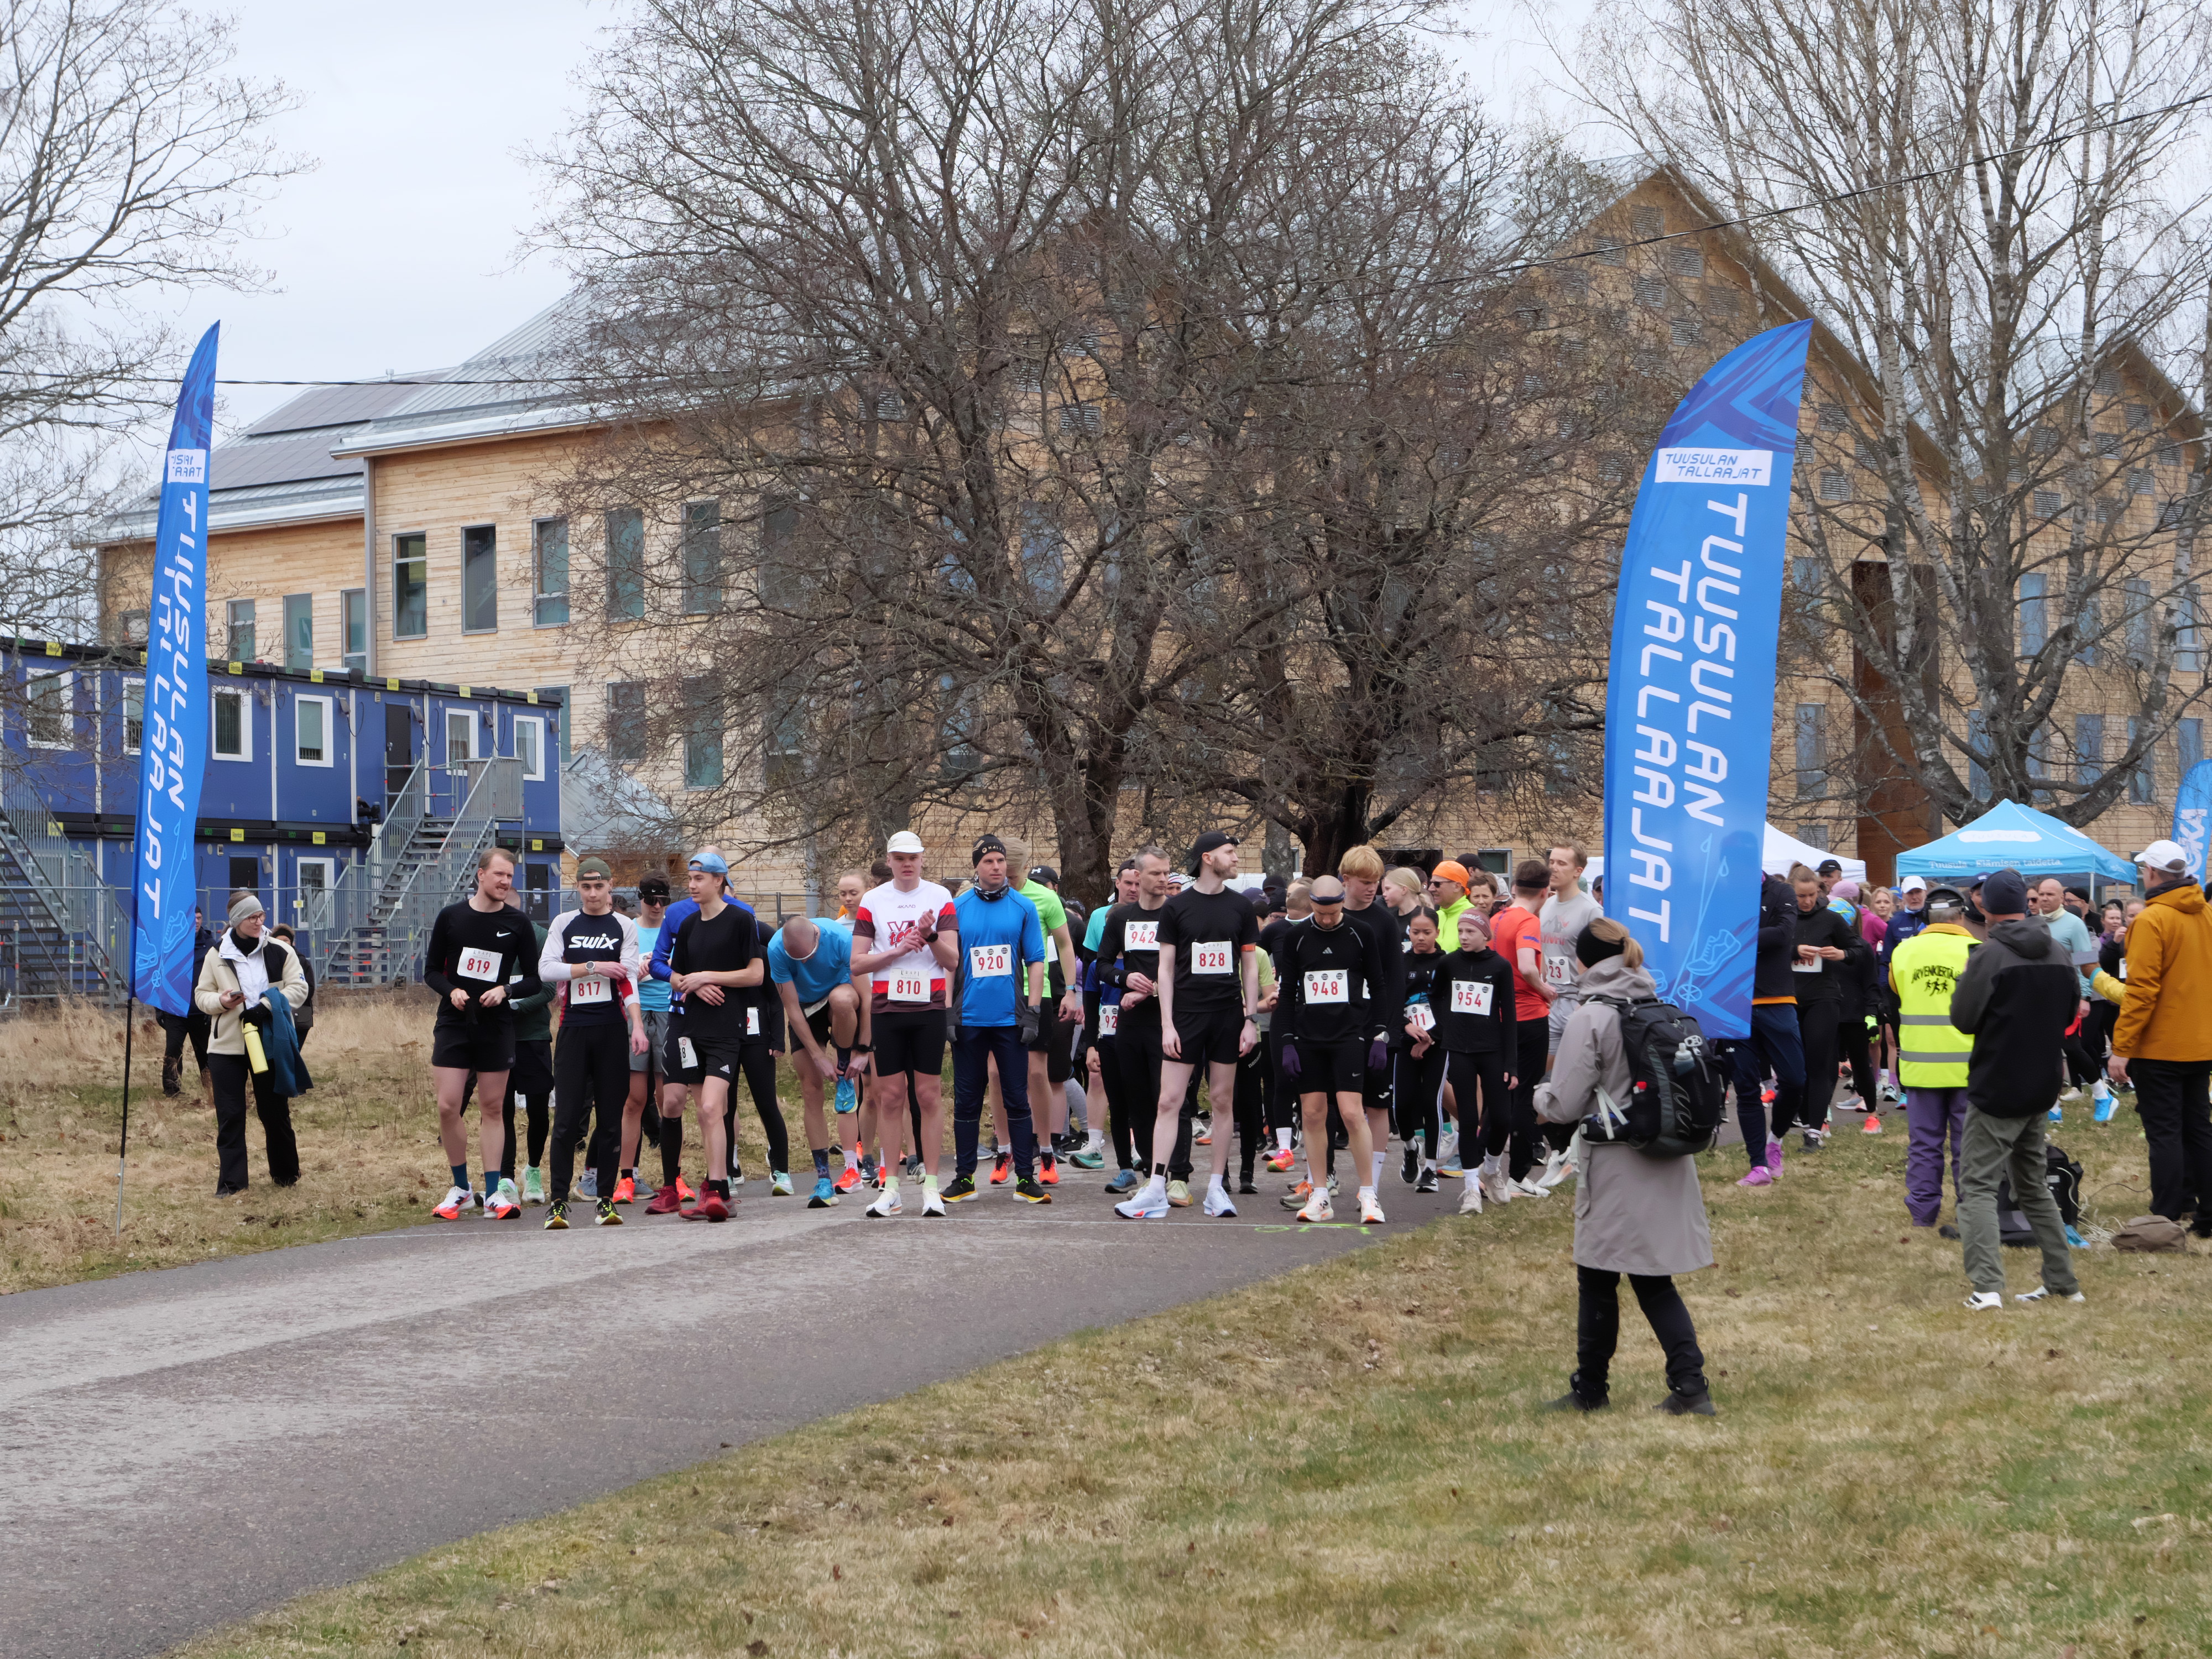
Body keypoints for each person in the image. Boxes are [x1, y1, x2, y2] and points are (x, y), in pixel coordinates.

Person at [1534, 919, 1715, 1415]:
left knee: (1599, 1276)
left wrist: (1536, 1094)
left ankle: (1598, 1388)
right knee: (1651, 1277)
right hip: (1664, 1155)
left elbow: (1564, 1103)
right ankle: (1686, 1384)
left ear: (1585, 961)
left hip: (1617, 1164)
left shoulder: (1590, 1016)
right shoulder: (1657, 1003)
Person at [1949, 869, 2085, 1309]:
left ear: (1983, 907)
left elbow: (1964, 1019)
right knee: (2032, 1185)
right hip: (2042, 1084)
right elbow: (2068, 1015)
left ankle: (1987, 1287)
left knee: (1978, 1186)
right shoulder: (2059, 953)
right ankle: (2063, 1282)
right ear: (2027, 903)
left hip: (1998, 1086)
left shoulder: (1989, 956)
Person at [1114, 832, 1262, 1220]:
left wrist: (1251, 1020)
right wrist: (1167, 1024)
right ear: (1208, 858)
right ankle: (1156, 1189)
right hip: (1185, 1017)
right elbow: (1164, 968)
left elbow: (1249, 966)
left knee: (1221, 1101)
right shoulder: (1177, 909)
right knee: (1169, 1101)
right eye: (1230, 852)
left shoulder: (1241, 908)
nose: (1236, 858)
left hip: (1229, 1015)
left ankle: (1216, 1189)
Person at [422, 848, 542, 1220]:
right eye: (500, 875)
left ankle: (493, 1193)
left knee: (493, 1108)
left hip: (496, 1024)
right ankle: (461, 1187)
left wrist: (506, 990)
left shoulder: (518, 923)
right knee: (448, 1105)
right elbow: (430, 971)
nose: (506, 882)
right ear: (481, 875)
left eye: (510, 877)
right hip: (456, 1022)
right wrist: (451, 991)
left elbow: (536, 980)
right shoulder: (452, 917)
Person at [1266, 874, 1389, 1224]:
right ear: (1312, 906)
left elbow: (1378, 986)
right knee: (1313, 1114)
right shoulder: (1297, 937)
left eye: (1334, 913)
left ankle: (1368, 1193)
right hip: (1309, 1037)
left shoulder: (1360, 932)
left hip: (1349, 1034)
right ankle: (1320, 1193)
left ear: (1340, 904)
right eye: (1321, 913)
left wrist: (1380, 1034)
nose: (1327, 919)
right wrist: (1288, 1041)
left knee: (1352, 1113)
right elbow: (1288, 991)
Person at [849, 831, 959, 1219]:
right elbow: (857, 963)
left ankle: (931, 1186)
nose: (907, 863)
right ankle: (891, 1186)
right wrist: (897, 949)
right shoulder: (872, 901)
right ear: (889, 861)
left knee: (928, 1096)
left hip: (927, 1008)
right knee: (890, 1097)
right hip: (886, 1009)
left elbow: (952, 961)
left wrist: (928, 936)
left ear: (923, 859)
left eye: (913, 857)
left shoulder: (940, 897)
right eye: (899, 858)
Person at [538, 856, 649, 1229]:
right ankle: (558, 1202)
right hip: (573, 1030)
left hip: (612, 1029)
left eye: (599, 887)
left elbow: (630, 978)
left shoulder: (624, 926)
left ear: (610, 887)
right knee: (567, 1119)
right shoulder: (564, 923)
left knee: (610, 1118)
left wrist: (637, 1026)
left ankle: (605, 1199)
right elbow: (546, 968)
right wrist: (593, 966)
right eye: (585, 887)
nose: (592, 893)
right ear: (578, 888)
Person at [942, 836, 1052, 1211]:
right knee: (967, 1102)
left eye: (1001, 861)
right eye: (988, 861)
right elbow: (948, 964)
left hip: (1010, 1019)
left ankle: (1025, 1177)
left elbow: (1036, 961)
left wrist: (1034, 1011)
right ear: (976, 866)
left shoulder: (1023, 907)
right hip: (969, 1019)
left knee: (1016, 1099)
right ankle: (964, 1178)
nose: (996, 867)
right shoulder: (956, 908)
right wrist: (947, 1012)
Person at [2107, 839, 2212, 1232]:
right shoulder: (2205, 915)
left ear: (2151, 873)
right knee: (2198, 1129)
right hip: (2200, 1042)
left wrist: (2122, 1048)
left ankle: (2165, 1216)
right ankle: (2204, 1213)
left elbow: (2142, 991)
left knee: (2165, 1132)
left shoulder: (2152, 920)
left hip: (2160, 1046)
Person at [667, 850, 765, 1223]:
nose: (692, 886)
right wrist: (690, 984)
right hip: (691, 1031)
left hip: (726, 1031)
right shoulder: (689, 926)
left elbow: (755, 974)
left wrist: (708, 977)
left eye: (699, 879)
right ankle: (716, 1193)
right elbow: (676, 976)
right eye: (690, 880)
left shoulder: (741, 920)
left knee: (712, 1107)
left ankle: (722, 1191)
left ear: (719, 881)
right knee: (707, 1114)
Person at [192, 893, 310, 1197]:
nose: (259, 922)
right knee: (230, 1115)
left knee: (274, 1111)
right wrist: (221, 1001)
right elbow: (201, 996)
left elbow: (300, 988)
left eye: (261, 916)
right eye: (252, 918)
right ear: (236, 922)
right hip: (226, 1047)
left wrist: (267, 1007)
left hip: (269, 1040)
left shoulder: (281, 950)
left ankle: (286, 1175)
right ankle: (232, 1185)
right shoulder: (216, 954)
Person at [1095, 847, 1184, 1198]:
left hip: (1170, 1020)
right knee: (1139, 1102)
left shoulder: (1179, 913)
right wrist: (1125, 979)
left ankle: (1179, 1176)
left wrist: (1150, 992)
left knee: (1173, 1099)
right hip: (1130, 1023)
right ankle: (1151, 1174)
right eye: (1156, 874)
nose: (1163, 880)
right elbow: (1101, 966)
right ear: (1138, 877)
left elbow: (1186, 970)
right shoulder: (1120, 918)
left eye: (1167, 873)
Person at [1888, 885, 1978, 1235]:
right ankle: (1971, 1211)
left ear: (1928, 916)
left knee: (1924, 1143)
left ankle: (1922, 1213)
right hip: (1967, 1067)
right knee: (1966, 1145)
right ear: (1962, 915)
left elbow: (1897, 991)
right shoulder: (1977, 950)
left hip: (1920, 1066)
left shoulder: (1904, 951)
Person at [767, 914, 866, 1208]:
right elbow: (793, 1009)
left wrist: (864, 1049)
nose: (805, 963)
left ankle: (852, 1168)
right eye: (797, 959)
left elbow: (867, 995)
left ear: (817, 939)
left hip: (842, 999)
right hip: (807, 1007)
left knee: (842, 1000)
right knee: (811, 1089)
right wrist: (818, 1056)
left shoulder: (841, 939)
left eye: (807, 957)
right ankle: (823, 1178)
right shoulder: (776, 950)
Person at [1434, 909, 1527, 1209]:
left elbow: (1510, 1016)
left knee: (1501, 1118)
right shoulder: (1449, 963)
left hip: (1493, 1051)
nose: (1463, 937)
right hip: (1460, 1050)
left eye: (1470, 932)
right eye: (1460, 931)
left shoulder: (1500, 966)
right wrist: (1446, 1025)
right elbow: (1435, 996)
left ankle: (1491, 1168)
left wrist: (1511, 1064)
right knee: (1468, 1119)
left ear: (1486, 935)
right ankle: (1472, 1188)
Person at [1724, 869, 1808, 1187]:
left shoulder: (1781, 892)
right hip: (1731, 1001)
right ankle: (1758, 1164)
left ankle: (1776, 1140)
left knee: (1795, 1079)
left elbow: (1783, 934)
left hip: (1776, 997)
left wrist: (1735, 936)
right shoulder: (1723, 892)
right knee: (1746, 1087)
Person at [1339, 844, 1406, 1202]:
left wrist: (1387, 1032)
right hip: (1338, 1027)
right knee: (1336, 1106)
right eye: (1364, 882)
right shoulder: (1330, 916)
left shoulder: (1384, 923)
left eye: (1377, 882)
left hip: (1376, 1026)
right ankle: (1326, 1177)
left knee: (1376, 1106)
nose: (1372, 889)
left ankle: (1373, 1183)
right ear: (1345, 880)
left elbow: (1395, 981)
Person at [1790, 863, 1873, 1147]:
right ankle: (1804, 1118)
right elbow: (1761, 948)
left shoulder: (1830, 920)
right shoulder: (1784, 918)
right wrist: (1793, 951)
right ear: (1792, 894)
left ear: (1819, 892)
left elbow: (1860, 949)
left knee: (1818, 1064)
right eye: (1801, 896)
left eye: (1812, 895)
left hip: (1823, 999)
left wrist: (1842, 953)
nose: (1807, 901)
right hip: (1788, 1000)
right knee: (1793, 1068)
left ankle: (1814, 1131)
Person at [2031, 876, 2102, 1109]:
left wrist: (2085, 996)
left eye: (2050, 894)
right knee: (2045, 1052)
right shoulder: (2032, 924)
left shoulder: (2073, 924)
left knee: (2071, 1048)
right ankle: (2053, 1107)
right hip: (2040, 998)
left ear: (2062, 898)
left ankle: (2101, 1093)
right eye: (2041, 894)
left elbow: (2087, 962)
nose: (2044, 898)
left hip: (2068, 996)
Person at [1396, 909, 1447, 1193]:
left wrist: (1430, 1039)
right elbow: (1391, 1004)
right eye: (1415, 932)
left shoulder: (1448, 963)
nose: (1421, 937)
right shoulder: (1400, 963)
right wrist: (1407, 1028)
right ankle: (1409, 1147)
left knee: (1431, 1101)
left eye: (1427, 932)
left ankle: (1431, 1168)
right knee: (1401, 1104)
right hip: (1406, 1041)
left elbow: (1453, 1009)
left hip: (1438, 1043)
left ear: (1437, 933)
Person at [159, 907, 217, 1097]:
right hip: (175, 1010)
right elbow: (161, 978)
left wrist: (214, 1006)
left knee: (207, 1052)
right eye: (193, 919)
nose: (197, 922)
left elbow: (219, 977)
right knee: (173, 1051)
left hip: (201, 1010)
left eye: (200, 918)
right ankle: (172, 1090)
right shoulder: (170, 945)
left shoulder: (211, 946)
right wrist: (160, 1009)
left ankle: (211, 1088)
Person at [268, 924, 316, 1048]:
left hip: (299, 1016)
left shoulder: (302, 962)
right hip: (274, 1014)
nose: (283, 943)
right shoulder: (267, 962)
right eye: (279, 941)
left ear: (292, 942)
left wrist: (292, 997)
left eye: (286, 940)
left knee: (294, 1051)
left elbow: (309, 988)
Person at [1426, 860, 1474, 947]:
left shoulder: (1472, 917)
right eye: (1431, 883)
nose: (1431, 889)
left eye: (1437, 884)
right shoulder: (1436, 916)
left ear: (1457, 887)